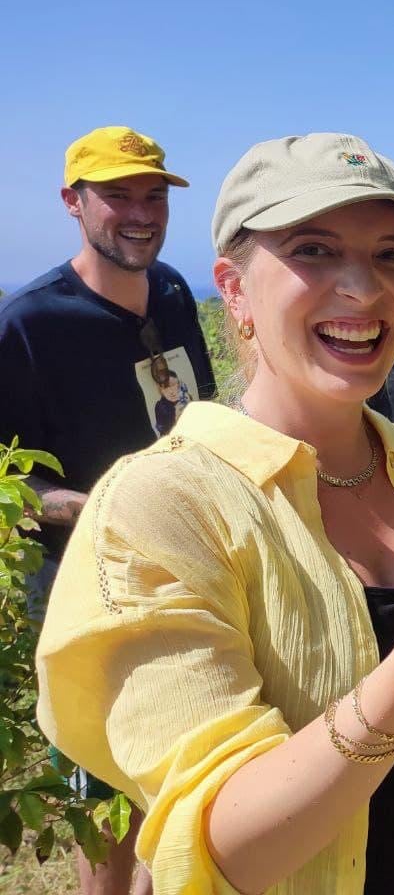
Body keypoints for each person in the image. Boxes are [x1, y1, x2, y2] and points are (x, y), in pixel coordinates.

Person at [35, 132, 394, 895]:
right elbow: (223, 849)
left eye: (392, 256)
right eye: (312, 250)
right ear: (232, 289)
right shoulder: (160, 507)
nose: (364, 289)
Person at [0, 124, 215, 895]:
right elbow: (5, 480)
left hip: (190, 567)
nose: (140, 212)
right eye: (117, 195)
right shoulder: (29, 323)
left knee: (183, 767)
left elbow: (198, 413)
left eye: (153, 195)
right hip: (81, 589)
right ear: (72, 202)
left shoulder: (176, 292)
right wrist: (100, 508)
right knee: (104, 791)